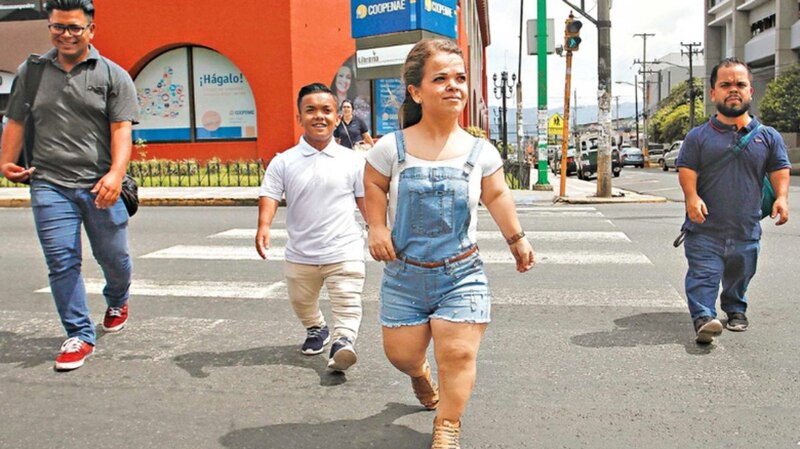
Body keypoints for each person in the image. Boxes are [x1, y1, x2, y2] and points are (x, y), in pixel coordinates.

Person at [364, 39, 535, 448]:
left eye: (459, 78)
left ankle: (448, 423)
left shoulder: (480, 151)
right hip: (404, 275)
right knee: (401, 354)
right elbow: (372, 183)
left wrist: (516, 238)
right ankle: (419, 374)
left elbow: (496, 195)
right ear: (416, 91)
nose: (453, 86)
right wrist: (376, 227)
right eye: (440, 78)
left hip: (462, 273)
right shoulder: (392, 147)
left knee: (458, 353)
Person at [0, 0, 139, 371]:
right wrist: (6, 162)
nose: (66, 34)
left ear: (90, 30)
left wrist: (115, 174)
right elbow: (15, 120)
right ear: (50, 28)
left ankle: (117, 297)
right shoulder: (31, 72)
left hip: (100, 185)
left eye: (74, 27)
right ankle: (78, 333)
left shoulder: (113, 75)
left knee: (115, 258)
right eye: (58, 27)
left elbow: (121, 130)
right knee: (62, 260)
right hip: (49, 183)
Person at [676, 57, 790, 344]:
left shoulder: (768, 137)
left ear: (751, 91)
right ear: (713, 93)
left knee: (741, 273)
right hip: (703, 229)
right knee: (704, 274)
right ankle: (703, 317)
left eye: (740, 84)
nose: (733, 90)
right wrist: (692, 197)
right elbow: (687, 168)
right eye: (725, 85)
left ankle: (735, 308)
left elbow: (779, 169)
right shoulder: (698, 137)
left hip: (745, 228)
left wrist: (782, 198)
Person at [256, 82, 367, 371]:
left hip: (344, 249)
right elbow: (269, 193)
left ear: (336, 116)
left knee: (348, 301)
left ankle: (343, 342)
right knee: (301, 301)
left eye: (327, 110)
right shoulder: (284, 161)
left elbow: (363, 198)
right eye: (311, 110)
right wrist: (263, 227)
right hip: (301, 253)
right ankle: (317, 328)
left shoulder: (352, 160)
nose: (319, 116)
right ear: (299, 118)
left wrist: (378, 229)